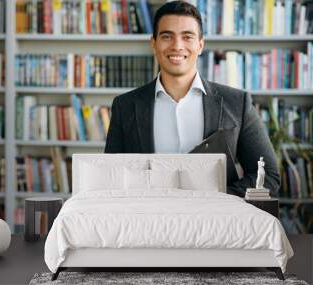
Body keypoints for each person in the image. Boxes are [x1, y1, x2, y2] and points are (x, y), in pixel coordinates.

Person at [104, 1, 280, 197]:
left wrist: (210, 199)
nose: (177, 46)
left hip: (216, 222)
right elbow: (110, 178)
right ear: (153, 43)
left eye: (187, 36)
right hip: (147, 222)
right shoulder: (125, 106)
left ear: (200, 45)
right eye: (166, 36)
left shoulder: (237, 103)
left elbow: (268, 177)